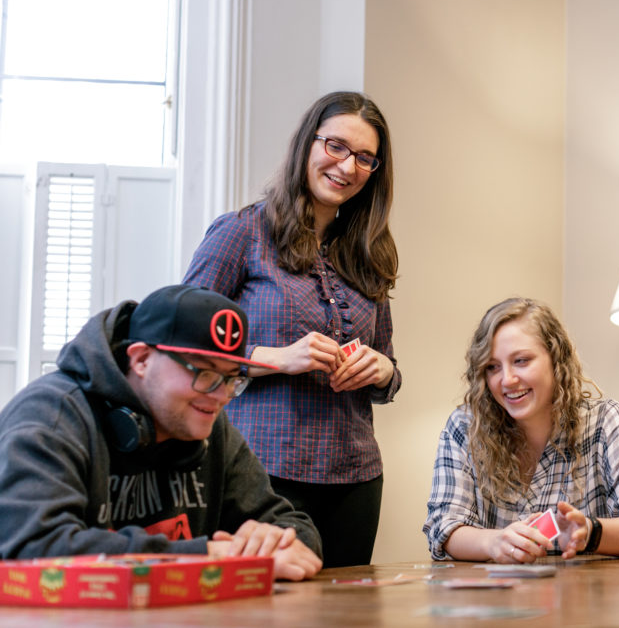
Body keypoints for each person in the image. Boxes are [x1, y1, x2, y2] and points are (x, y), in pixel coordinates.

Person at [183, 91, 400, 567]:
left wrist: (382, 369)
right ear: (308, 143)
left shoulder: (370, 252)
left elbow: (389, 375)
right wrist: (278, 358)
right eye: (336, 146)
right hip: (260, 474)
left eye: (365, 159)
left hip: (356, 480)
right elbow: (184, 346)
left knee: (347, 618)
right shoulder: (241, 233)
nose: (347, 167)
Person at [0, 284, 322, 581]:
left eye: (230, 378)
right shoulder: (52, 416)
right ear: (141, 359)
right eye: (205, 372)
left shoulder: (211, 427)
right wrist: (207, 556)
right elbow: (34, 549)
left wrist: (269, 543)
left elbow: (299, 532)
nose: (221, 395)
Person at [424, 297, 619, 562]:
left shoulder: (608, 421)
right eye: (492, 367)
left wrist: (589, 532)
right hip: (496, 600)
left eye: (521, 360)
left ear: (556, 359)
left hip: (590, 599)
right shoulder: (464, 427)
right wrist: (493, 542)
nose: (507, 380)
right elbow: (443, 528)